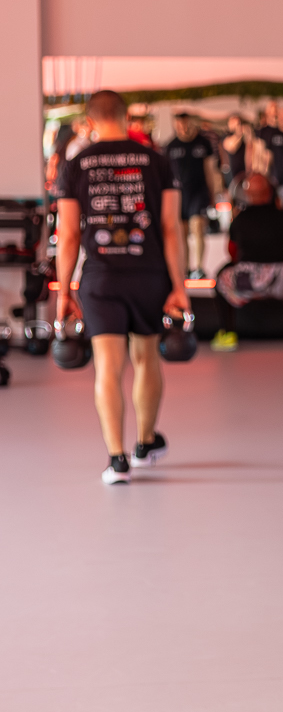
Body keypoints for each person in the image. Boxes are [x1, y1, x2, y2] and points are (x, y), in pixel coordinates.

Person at [52, 90, 191, 485]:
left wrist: (64, 292)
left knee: (107, 367)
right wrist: (179, 286)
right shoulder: (156, 161)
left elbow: (68, 236)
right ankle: (145, 444)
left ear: (89, 122)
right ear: (127, 118)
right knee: (146, 358)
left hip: (101, 278)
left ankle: (117, 461)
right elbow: (171, 228)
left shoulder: (76, 164)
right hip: (149, 275)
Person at [210, 173, 283, 351]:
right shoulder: (282, 217)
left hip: (246, 281)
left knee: (220, 279)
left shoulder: (240, 219)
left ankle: (228, 333)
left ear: (246, 194)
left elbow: (231, 252)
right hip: (282, 280)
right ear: (271, 192)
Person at [164, 112, 218, 280]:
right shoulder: (170, 146)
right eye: (179, 125)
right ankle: (185, 267)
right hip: (179, 195)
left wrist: (213, 193)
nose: (183, 128)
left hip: (199, 192)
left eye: (185, 124)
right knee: (182, 233)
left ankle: (199, 268)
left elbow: (210, 170)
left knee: (197, 227)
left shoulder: (203, 143)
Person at [220, 112, 256, 202]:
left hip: (244, 174)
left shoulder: (245, 137)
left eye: (238, 123)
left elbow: (251, 149)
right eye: (233, 123)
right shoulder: (226, 136)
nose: (236, 126)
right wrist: (239, 134)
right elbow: (232, 147)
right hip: (231, 174)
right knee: (233, 199)